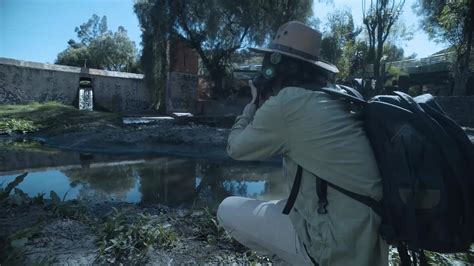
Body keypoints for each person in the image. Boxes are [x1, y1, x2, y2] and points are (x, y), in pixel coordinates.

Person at [217, 21, 388, 265]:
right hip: (368, 243)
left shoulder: (287, 103)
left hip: (335, 250)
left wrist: (252, 105)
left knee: (227, 209)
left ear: (276, 66)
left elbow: (235, 148)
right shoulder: (336, 95)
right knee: (283, 204)